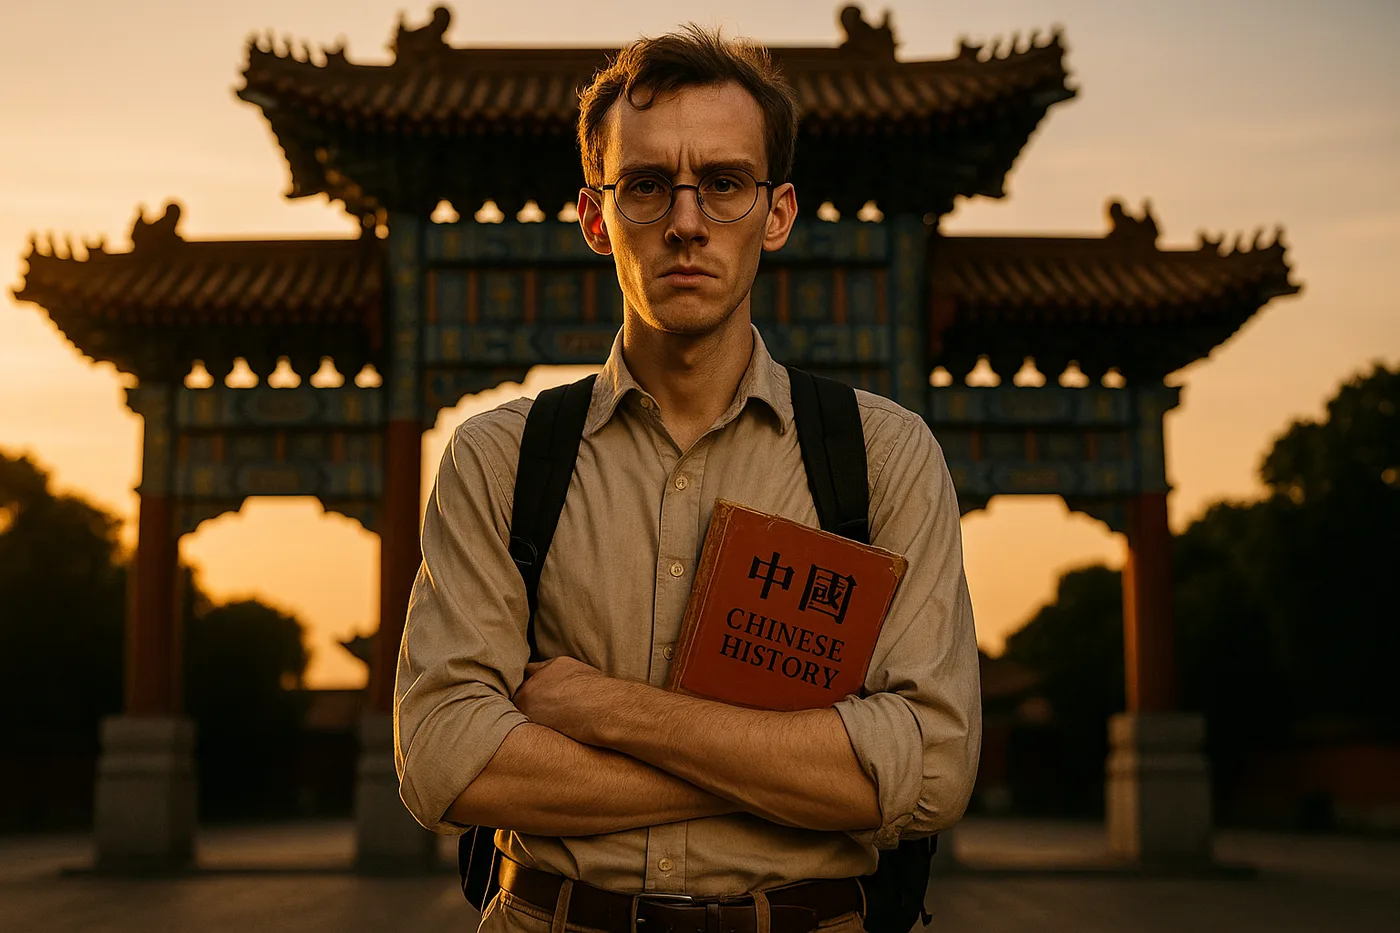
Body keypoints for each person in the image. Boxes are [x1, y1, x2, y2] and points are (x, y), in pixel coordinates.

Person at [394, 25, 981, 933]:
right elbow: (443, 756)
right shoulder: (502, 458)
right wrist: (786, 775)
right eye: (645, 185)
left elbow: (933, 763)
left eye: (724, 182)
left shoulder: (883, 455)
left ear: (776, 213)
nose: (686, 221)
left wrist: (600, 707)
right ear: (596, 216)